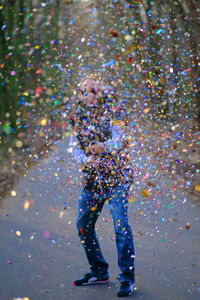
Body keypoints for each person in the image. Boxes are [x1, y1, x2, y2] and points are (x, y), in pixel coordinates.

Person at [69, 76, 135, 297]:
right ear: (79, 94)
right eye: (85, 91)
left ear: (101, 92)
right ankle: (99, 271)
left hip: (117, 178)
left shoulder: (113, 110)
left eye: (94, 91)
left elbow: (119, 140)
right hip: (92, 181)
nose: (90, 95)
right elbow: (74, 148)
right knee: (82, 225)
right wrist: (87, 160)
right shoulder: (76, 116)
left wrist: (102, 147)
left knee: (121, 229)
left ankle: (127, 279)